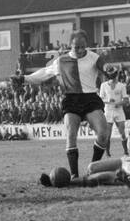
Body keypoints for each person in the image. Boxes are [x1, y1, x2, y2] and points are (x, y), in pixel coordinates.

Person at [30, 30, 111, 184]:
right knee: (70, 135)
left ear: (86, 45)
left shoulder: (94, 57)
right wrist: (25, 78)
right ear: (70, 46)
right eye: (76, 47)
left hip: (90, 98)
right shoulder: (61, 61)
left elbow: (105, 67)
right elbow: (44, 73)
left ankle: (92, 169)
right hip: (72, 99)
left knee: (103, 134)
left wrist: (110, 70)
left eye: (82, 47)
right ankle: (74, 174)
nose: (79, 50)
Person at [98, 68, 130, 156]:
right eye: (111, 75)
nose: (113, 76)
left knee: (122, 133)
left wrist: (118, 103)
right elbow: (100, 100)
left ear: (116, 75)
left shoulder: (121, 86)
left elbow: (126, 100)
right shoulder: (103, 85)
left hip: (119, 111)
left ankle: (125, 151)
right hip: (108, 111)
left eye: (114, 74)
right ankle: (108, 153)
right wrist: (108, 100)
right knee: (108, 134)